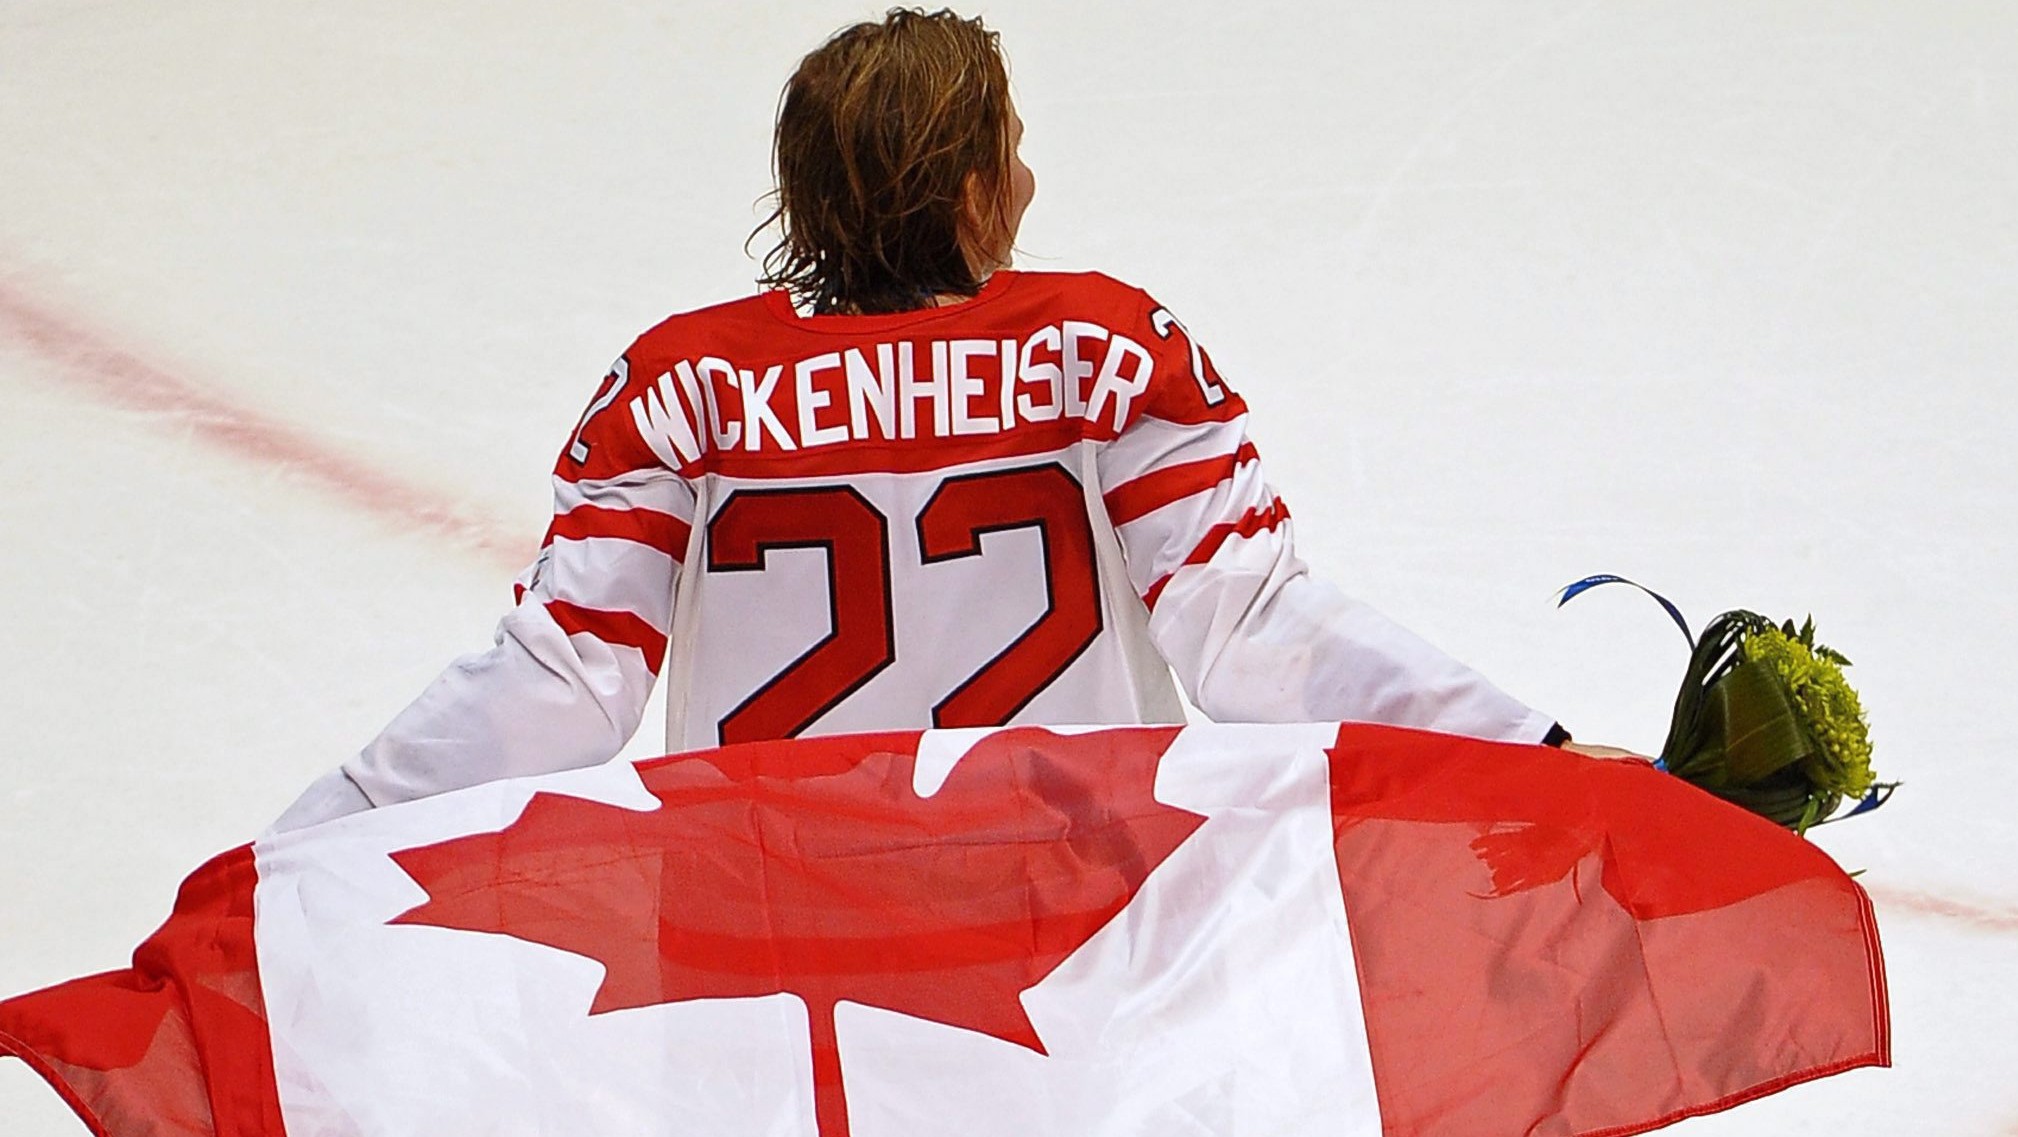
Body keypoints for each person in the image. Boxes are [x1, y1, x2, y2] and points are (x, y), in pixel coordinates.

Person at [275, 7, 1586, 832]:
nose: (1029, 174)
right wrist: (1539, 756)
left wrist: (318, 836)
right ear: (969, 195)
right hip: (1073, 945)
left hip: (772, 973)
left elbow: (560, 682)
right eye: (1008, 146)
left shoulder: (685, 390)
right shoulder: (1100, 352)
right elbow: (1253, 634)